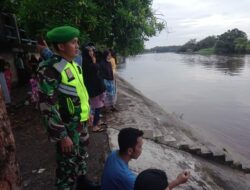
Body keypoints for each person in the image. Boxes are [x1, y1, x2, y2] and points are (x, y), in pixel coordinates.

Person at [37, 26, 91, 190]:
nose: (77, 46)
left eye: (77, 42)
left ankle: (83, 184)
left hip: (81, 123)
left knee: (81, 158)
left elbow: (79, 93)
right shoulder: (50, 68)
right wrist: (62, 136)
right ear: (61, 46)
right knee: (67, 167)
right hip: (68, 128)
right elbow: (47, 105)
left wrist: (87, 113)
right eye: (73, 42)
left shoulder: (73, 64)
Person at [82, 44, 106, 132]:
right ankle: (95, 126)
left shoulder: (88, 60)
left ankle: (97, 121)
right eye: (90, 51)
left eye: (92, 51)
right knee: (98, 107)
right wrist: (94, 61)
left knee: (98, 106)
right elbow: (95, 68)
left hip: (96, 87)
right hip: (93, 89)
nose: (92, 53)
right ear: (86, 53)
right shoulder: (86, 62)